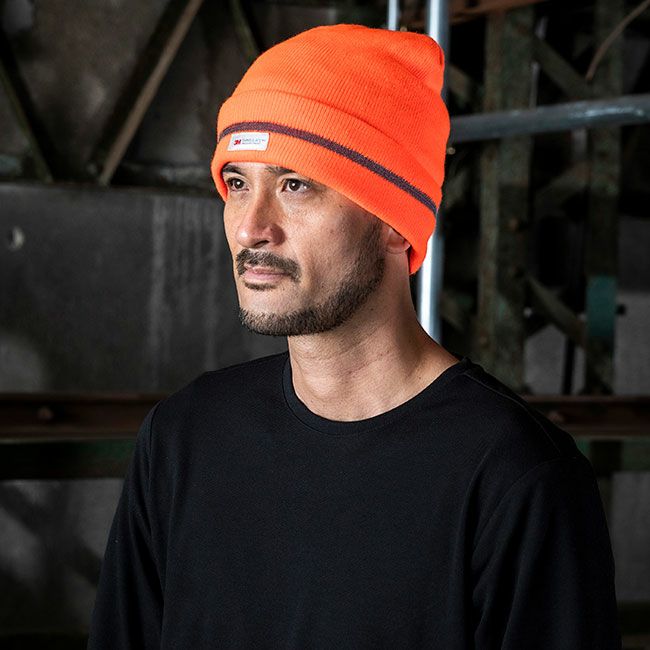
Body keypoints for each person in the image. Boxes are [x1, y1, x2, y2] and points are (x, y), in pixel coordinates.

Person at [87, 23, 621, 649]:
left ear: (395, 222)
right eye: (238, 184)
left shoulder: (516, 479)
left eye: (295, 184)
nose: (251, 228)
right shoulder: (183, 439)